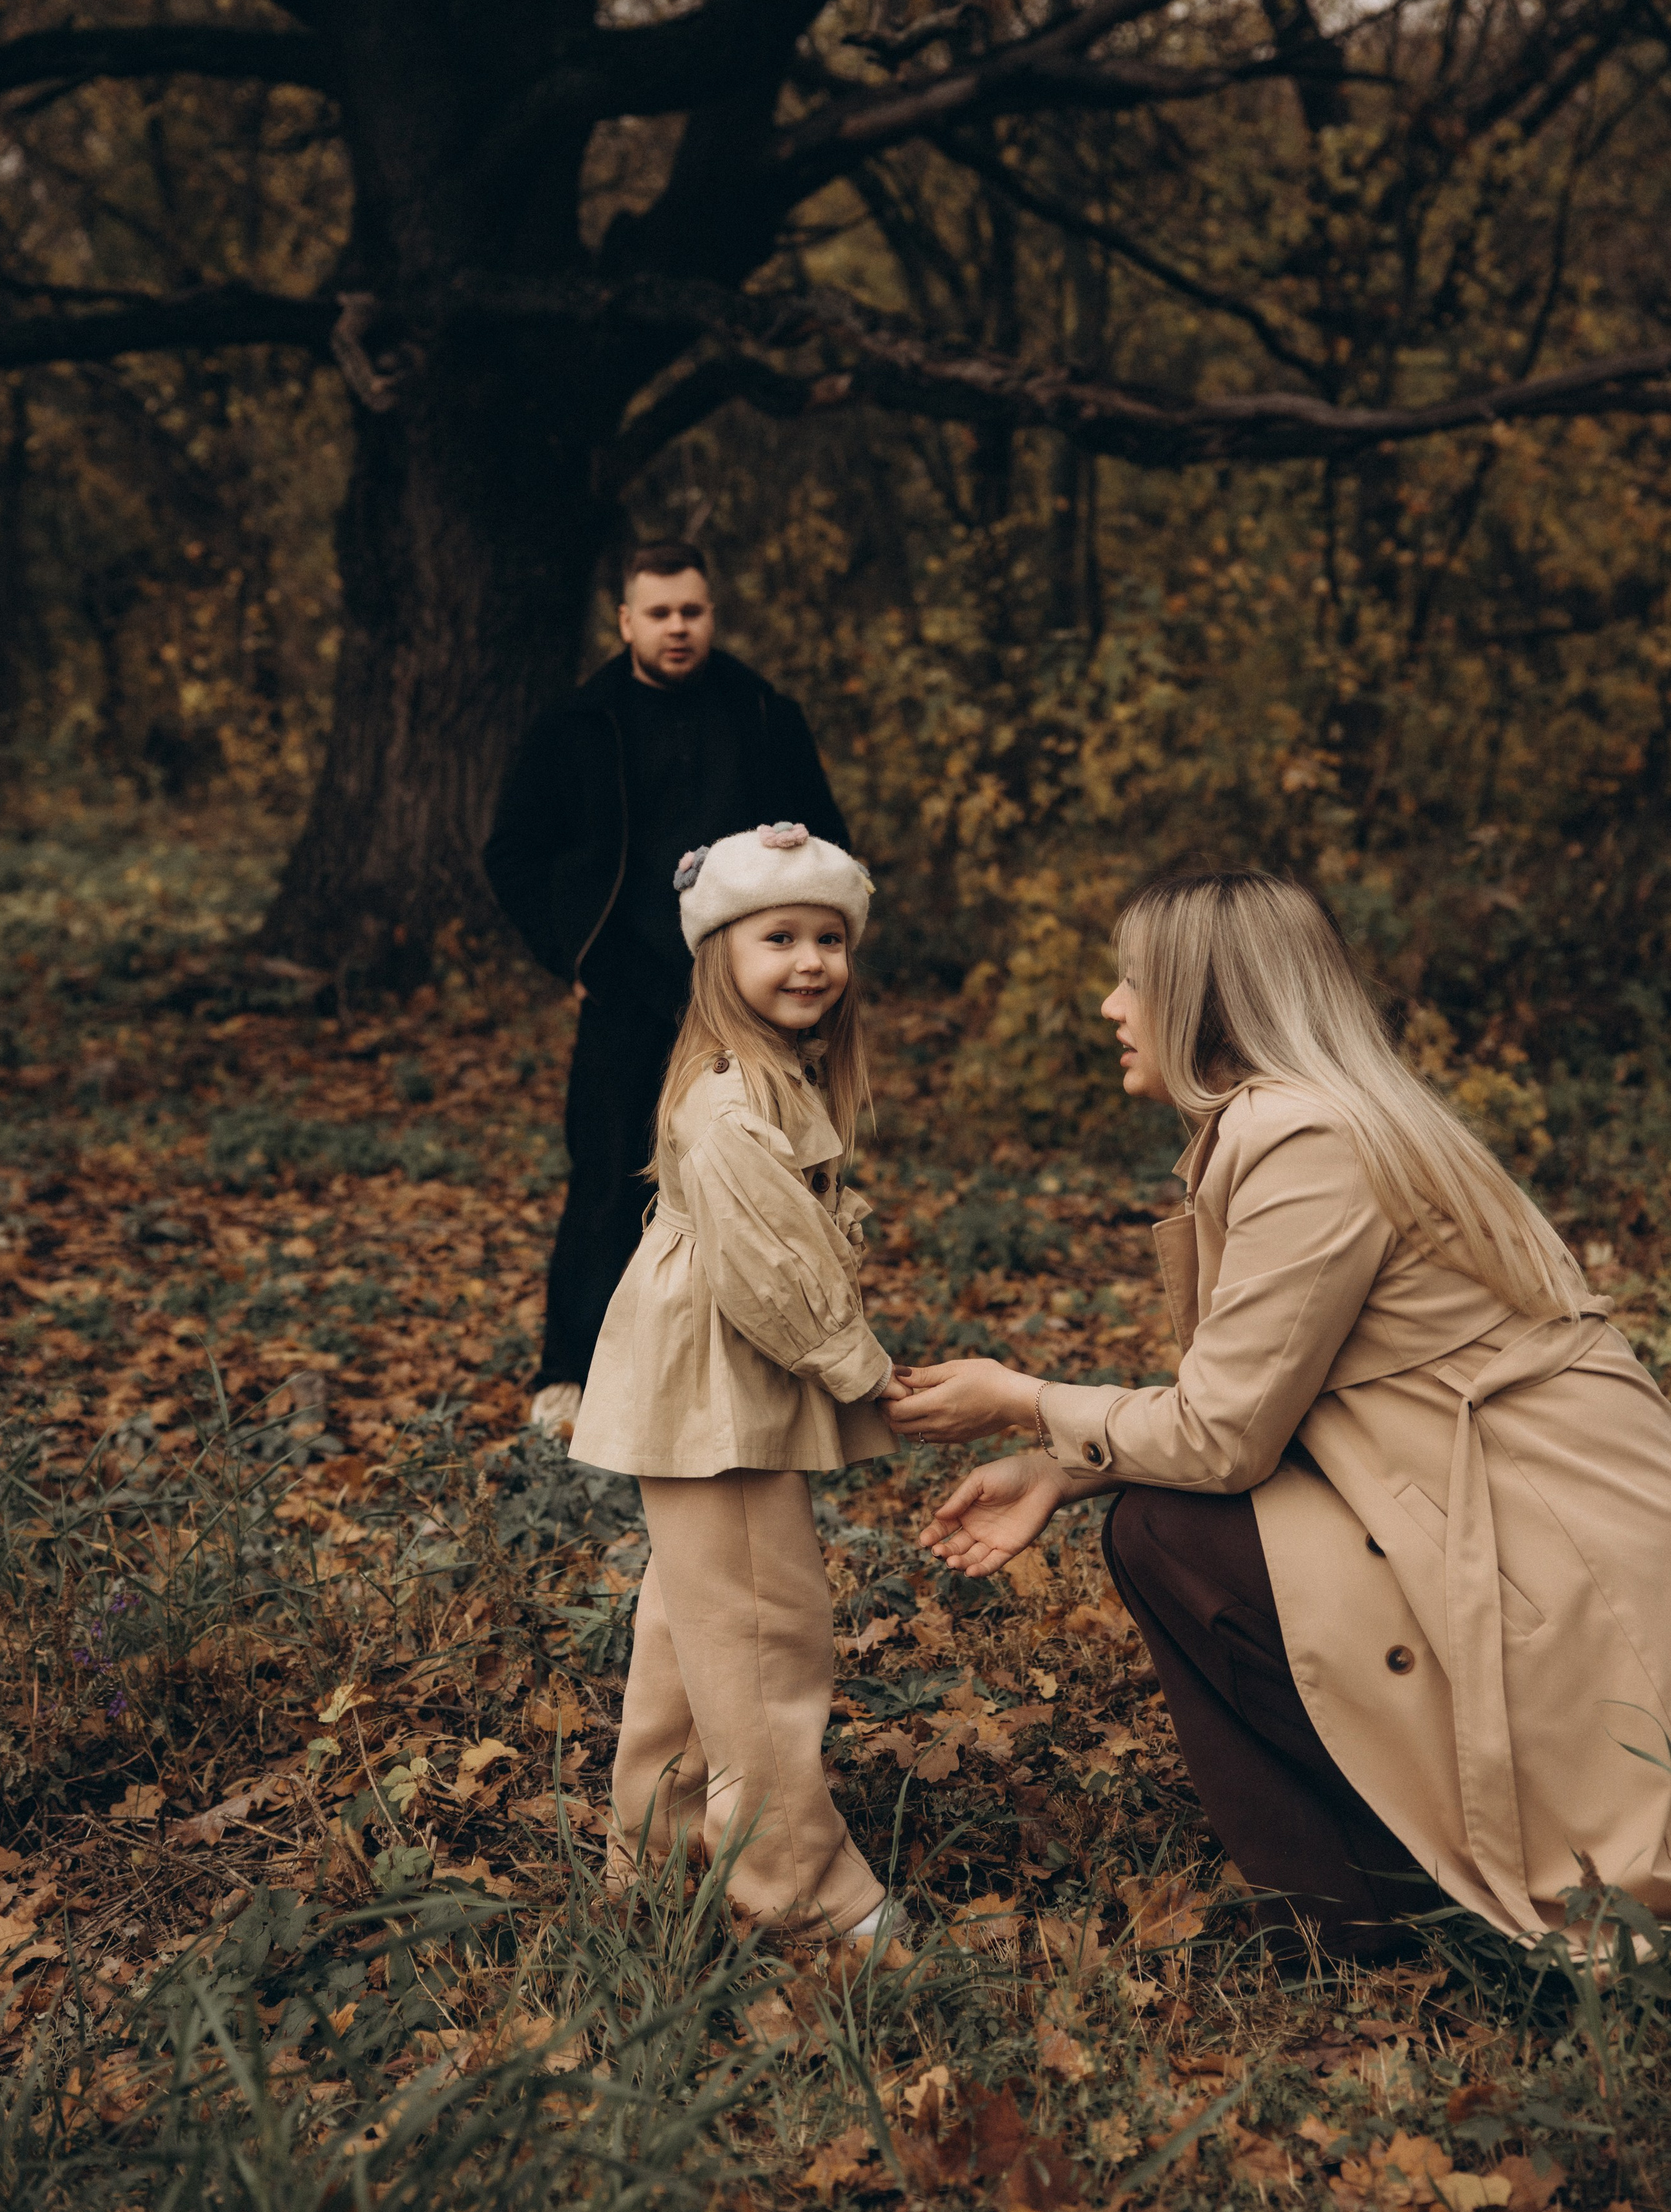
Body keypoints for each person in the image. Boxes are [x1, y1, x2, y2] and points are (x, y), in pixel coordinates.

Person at [882, 870, 1671, 1959]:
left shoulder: (1304, 1138)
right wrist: (1067, 1467)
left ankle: (1356, 1908)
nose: (1113, 1007)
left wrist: (1020, 1397)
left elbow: (1223, 1436)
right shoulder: (1335, 1113)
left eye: (1133, 980)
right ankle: (1365, 1878)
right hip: (1518, 1494)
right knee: (1160, 1516)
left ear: (1205, 1000)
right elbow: (1267, 1397)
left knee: (1168, 1533)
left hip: (1545, 1534)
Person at [569, 824, 899, 1939]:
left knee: (693, 1624)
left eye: (828, 938)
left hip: (705, 1389)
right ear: (721, 953)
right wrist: (864, 1372)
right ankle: (795, 1890)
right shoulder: (729, 1101)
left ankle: (657, 1864)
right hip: (720, 1395)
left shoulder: (764, 1081)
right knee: (767, 1634)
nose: (811, 959)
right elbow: (772, 1271)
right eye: (779, 937)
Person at [483, 545, 849, 1429]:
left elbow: (830, 846)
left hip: (743, 994)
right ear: (627, 621)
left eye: (692, 611)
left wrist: (800, 952)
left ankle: (753, 1372)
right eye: (659, 613)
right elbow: (512, 854)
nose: (678, 628)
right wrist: (569, 956)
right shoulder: (580, 722)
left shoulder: (763, 713)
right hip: (623, 985)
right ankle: (569, 1374)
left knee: (759, 1177)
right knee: (609, 1179)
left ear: (711, 614)